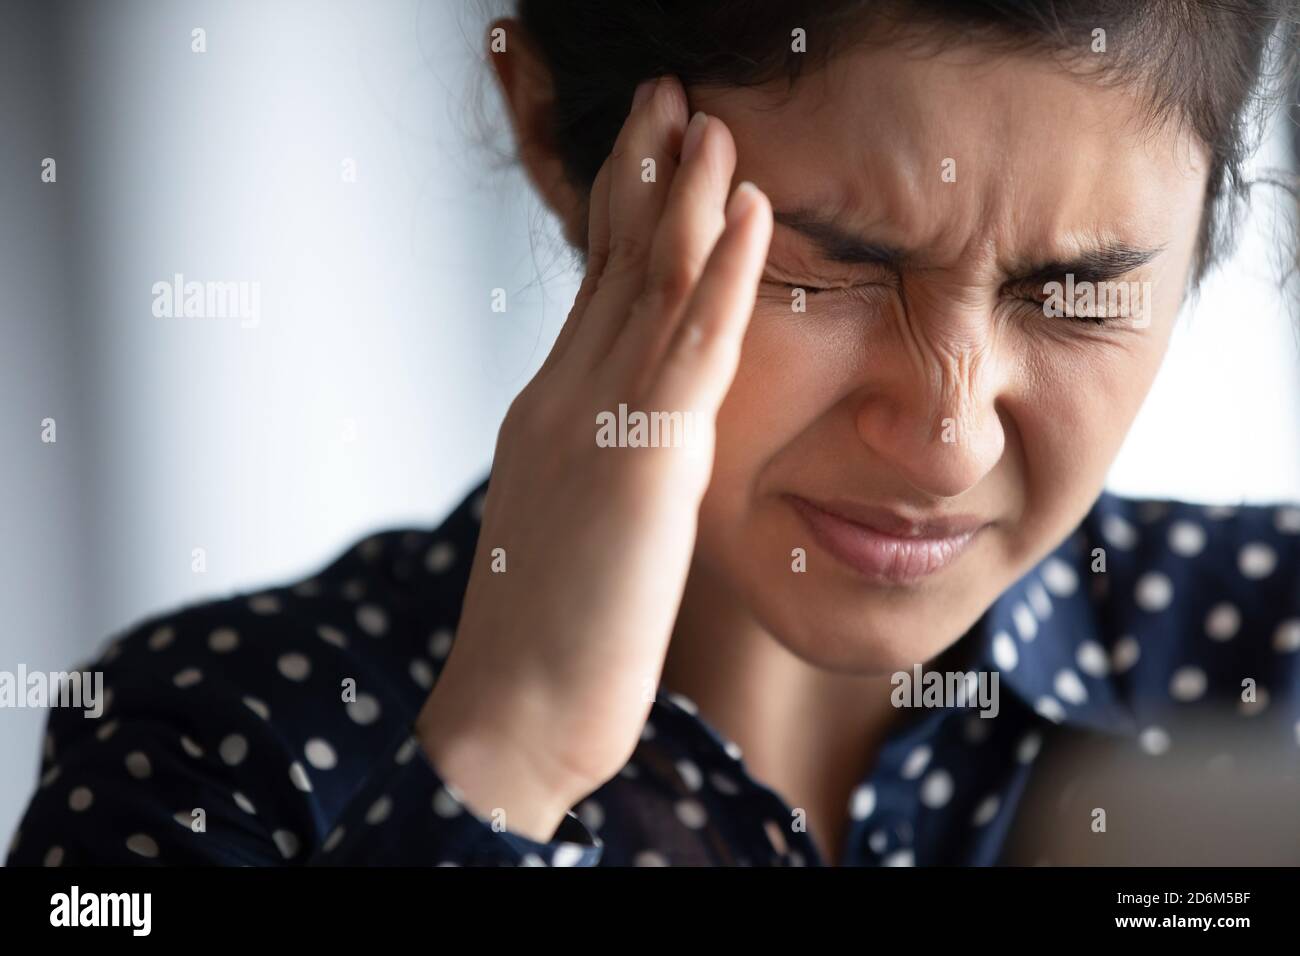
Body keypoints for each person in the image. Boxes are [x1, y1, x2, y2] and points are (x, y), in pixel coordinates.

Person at [7, 0, 1300, 867]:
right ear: (552, 131)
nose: (950, 438)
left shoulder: (1268, 651)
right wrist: (505, 751)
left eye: (1075, 295)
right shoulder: (209, 745)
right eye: (826, 269)